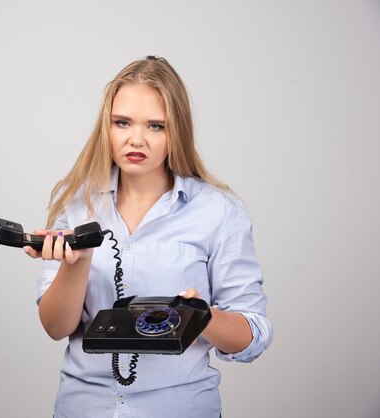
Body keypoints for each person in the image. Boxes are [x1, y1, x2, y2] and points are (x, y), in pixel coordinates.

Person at [23, 56, 272, 418]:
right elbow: (56, 327)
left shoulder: (219, 212)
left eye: (156, 126)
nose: (136, 139)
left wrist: (200, 317)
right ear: (106, 128)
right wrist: (78, 263)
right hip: (84, 408)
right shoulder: (77, 207)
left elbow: (255, 334)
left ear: (177, 132)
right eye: (122, 123)